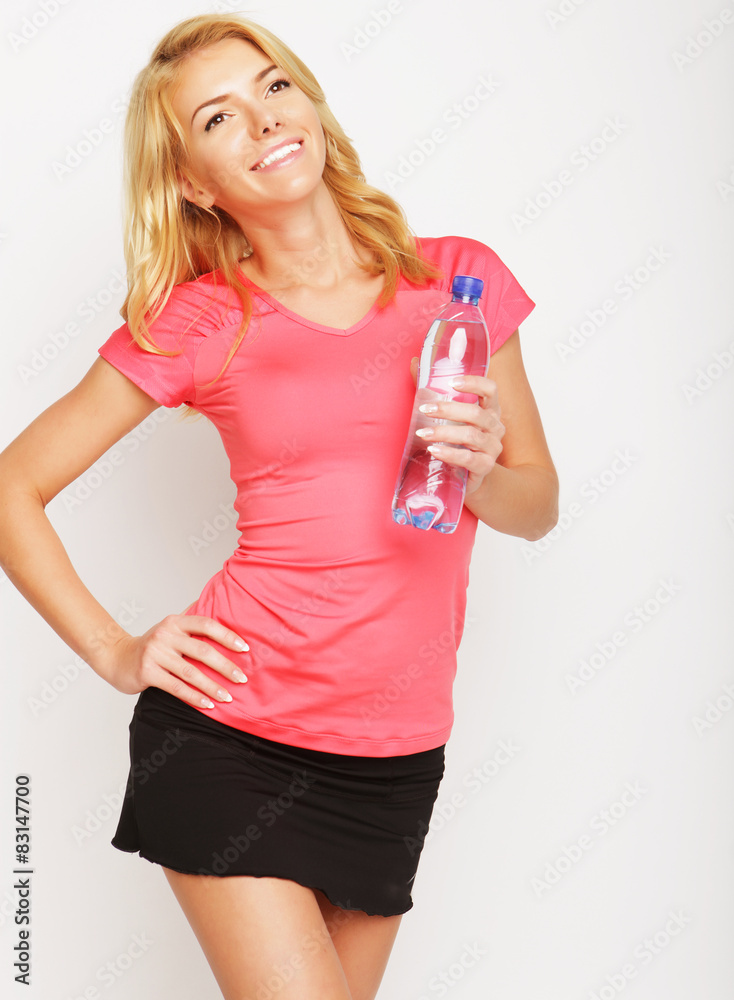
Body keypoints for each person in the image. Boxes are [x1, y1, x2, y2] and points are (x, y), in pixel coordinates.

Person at [0, 13, 558, 1000]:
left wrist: (475, 474)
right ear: (189, 179)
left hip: (397, 754)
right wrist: (113, 649)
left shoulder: (457, 277)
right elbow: (14, 484)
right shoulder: (201, 319)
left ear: (308, 102)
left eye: (272, 88)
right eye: (218, 118)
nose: (262, 121)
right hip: (234, 739)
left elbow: (535, 506)